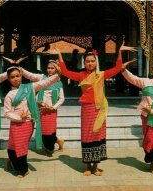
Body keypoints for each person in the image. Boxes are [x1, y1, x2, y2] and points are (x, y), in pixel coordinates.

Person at [46, 42, 137, 176]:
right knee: (88, 136)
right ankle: (88, 166)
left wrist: (120, 51)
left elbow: (118, 68)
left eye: (92, 61)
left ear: (96, 62)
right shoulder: (81, 75)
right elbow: (65, 72)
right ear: (84, 63)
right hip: (87, 110)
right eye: (87, 61)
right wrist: (59, 55)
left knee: (98, 136)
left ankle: (96, 166)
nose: (90, 63)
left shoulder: (101, 75)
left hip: (99, 109)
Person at [4, 65, 60, 178]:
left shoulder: (30, 87)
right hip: (15, 123)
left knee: (21, 147)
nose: (16, 79)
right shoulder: (9, 95)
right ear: (9, 79)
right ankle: (14, 164)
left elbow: (46, 82)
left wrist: (58, 75)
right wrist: (19, 118)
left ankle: (23, 170)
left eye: (17, 76)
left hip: (27, 123)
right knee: (12, 146)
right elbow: (7, 113)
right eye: (12, 77)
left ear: (21, 76)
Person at [121, 58, 153, 174]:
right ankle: (152, 161)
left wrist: (152, 111)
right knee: (149, 139)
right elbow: (133, 79)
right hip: (146, 117)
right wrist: (124, 70)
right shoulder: (147, 82)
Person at [20, 60, 65, 157]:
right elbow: (30, 75)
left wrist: (53, 107)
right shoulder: (41, 78)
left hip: (51, 111)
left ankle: (49, 149)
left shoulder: (58, 82)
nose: (49, 70)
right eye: (48, 68)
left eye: (52, 68)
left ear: (56, 69)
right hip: (40, 109)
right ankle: (57, 142)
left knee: (49, 131)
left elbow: (62, 98)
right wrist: (20, 69)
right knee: (43, 130)